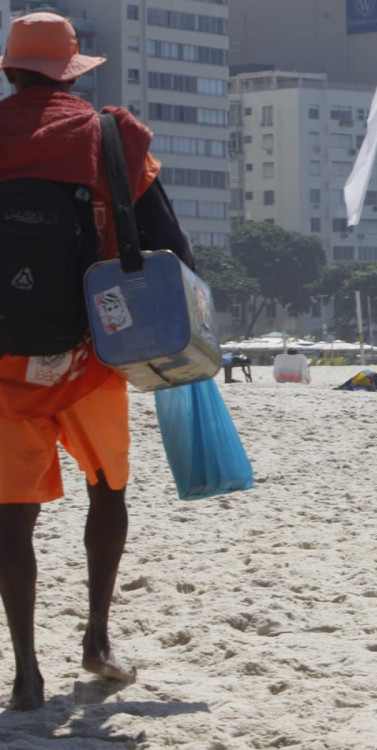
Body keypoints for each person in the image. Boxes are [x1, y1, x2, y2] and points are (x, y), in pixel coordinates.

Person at [0, 12, 193, 711]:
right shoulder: (109, 135)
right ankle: (96, 641)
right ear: (72, 73)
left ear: (11, 71)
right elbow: (171, 247)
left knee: (10, 517)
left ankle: (26, 674)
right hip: (92, 353)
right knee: (107, 490)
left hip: (4, 364)